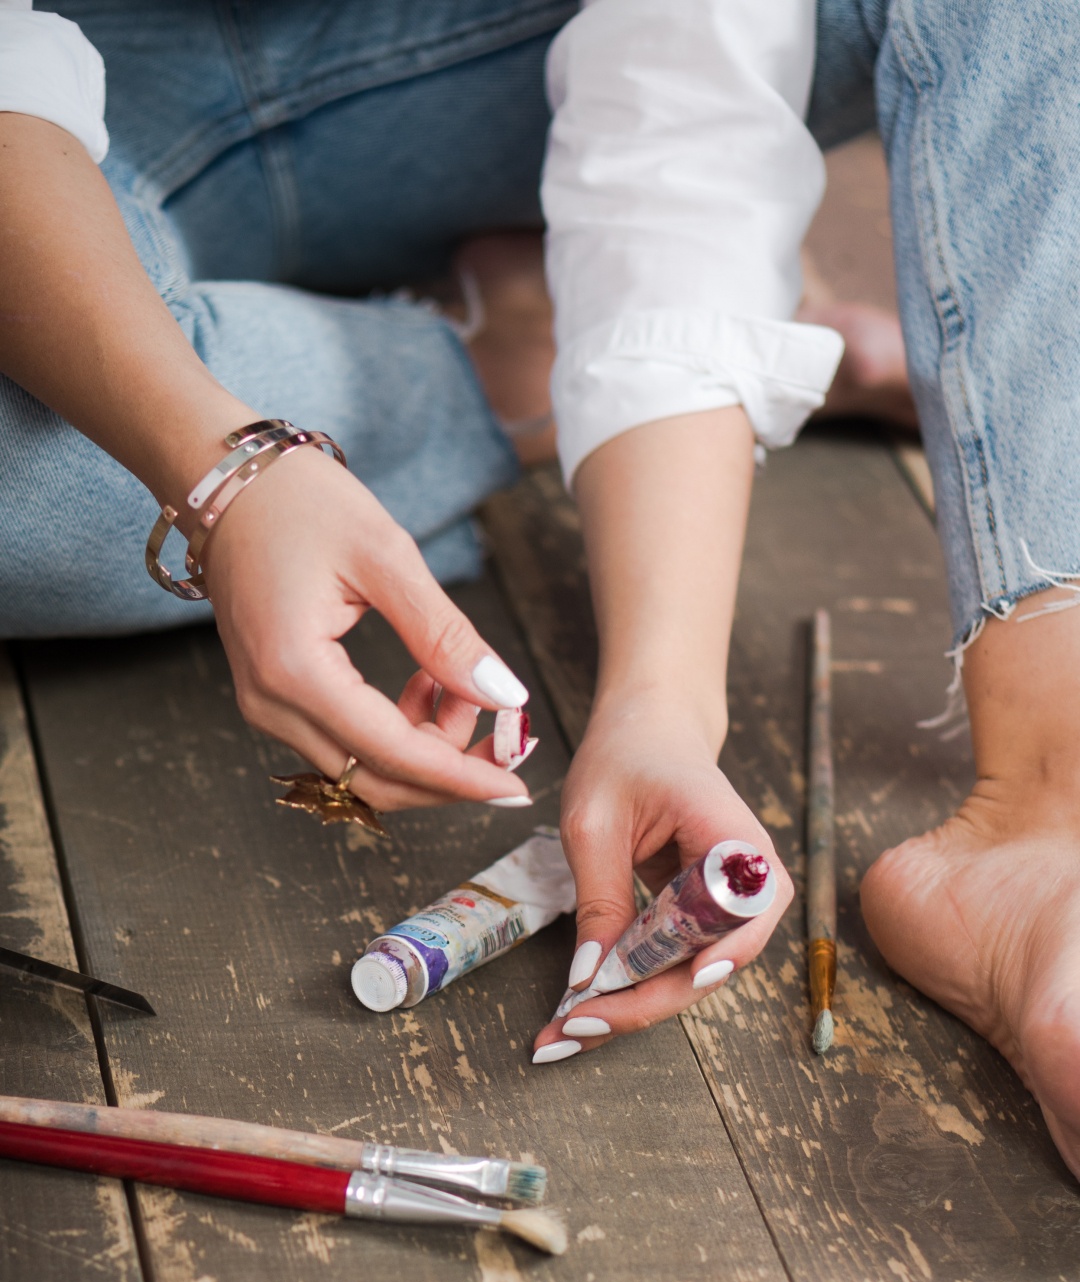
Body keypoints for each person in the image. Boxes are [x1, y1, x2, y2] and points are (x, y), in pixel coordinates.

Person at [4, 4, 1077, 1180]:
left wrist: (661, 705)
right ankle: (513, 355)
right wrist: (227, 471)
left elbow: (684, 116)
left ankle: (1050, 810)